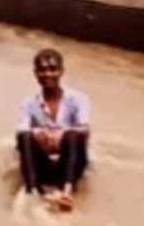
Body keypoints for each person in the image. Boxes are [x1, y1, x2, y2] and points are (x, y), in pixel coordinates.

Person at [16, 48, 90, 210]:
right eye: (42, 70)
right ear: (35, 74)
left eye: (52, 69)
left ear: (61, 72)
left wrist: (61, 135)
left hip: (70, 162)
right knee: (24, 137)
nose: (47, 74)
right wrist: (39, 134)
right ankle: (32, 190)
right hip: (45, 163)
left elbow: (84, 128)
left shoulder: (78, 99)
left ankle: (67, 192)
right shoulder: (28, 104)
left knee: (73, 135)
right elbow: (22, 128)